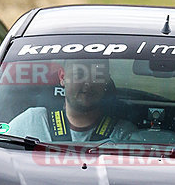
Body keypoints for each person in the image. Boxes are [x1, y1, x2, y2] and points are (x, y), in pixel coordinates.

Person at [7, 58, 136, 143]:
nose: (88, 84)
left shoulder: (124, 135)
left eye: (97, 76)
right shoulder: (32, 121)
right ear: (62, 77)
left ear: (107, 81)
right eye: (79, 75)